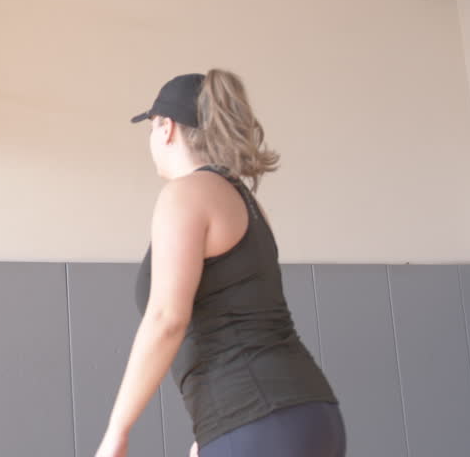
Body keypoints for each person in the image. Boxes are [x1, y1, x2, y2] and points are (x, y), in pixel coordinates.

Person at [95, 71, 345, 457]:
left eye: (150, 128)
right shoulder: (243, 199)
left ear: (167, 128)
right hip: (307, 414)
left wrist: (117, 432)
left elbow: (166, 318)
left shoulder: (185, 194)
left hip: (254, 419)